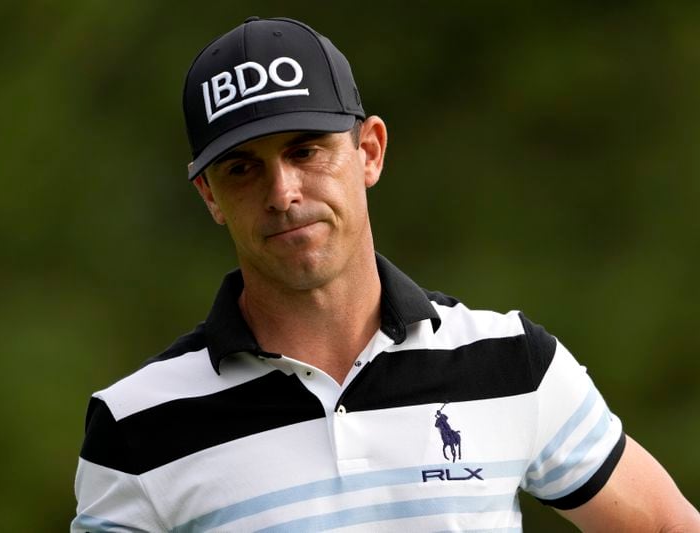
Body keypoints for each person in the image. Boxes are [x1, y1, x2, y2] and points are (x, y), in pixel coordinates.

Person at [72, 16, 699, 532]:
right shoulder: (136, 426)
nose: (283, 192)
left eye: (305, 150)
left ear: (368, 151)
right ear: (209, 194)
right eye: (242, 168)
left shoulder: (511, 364)